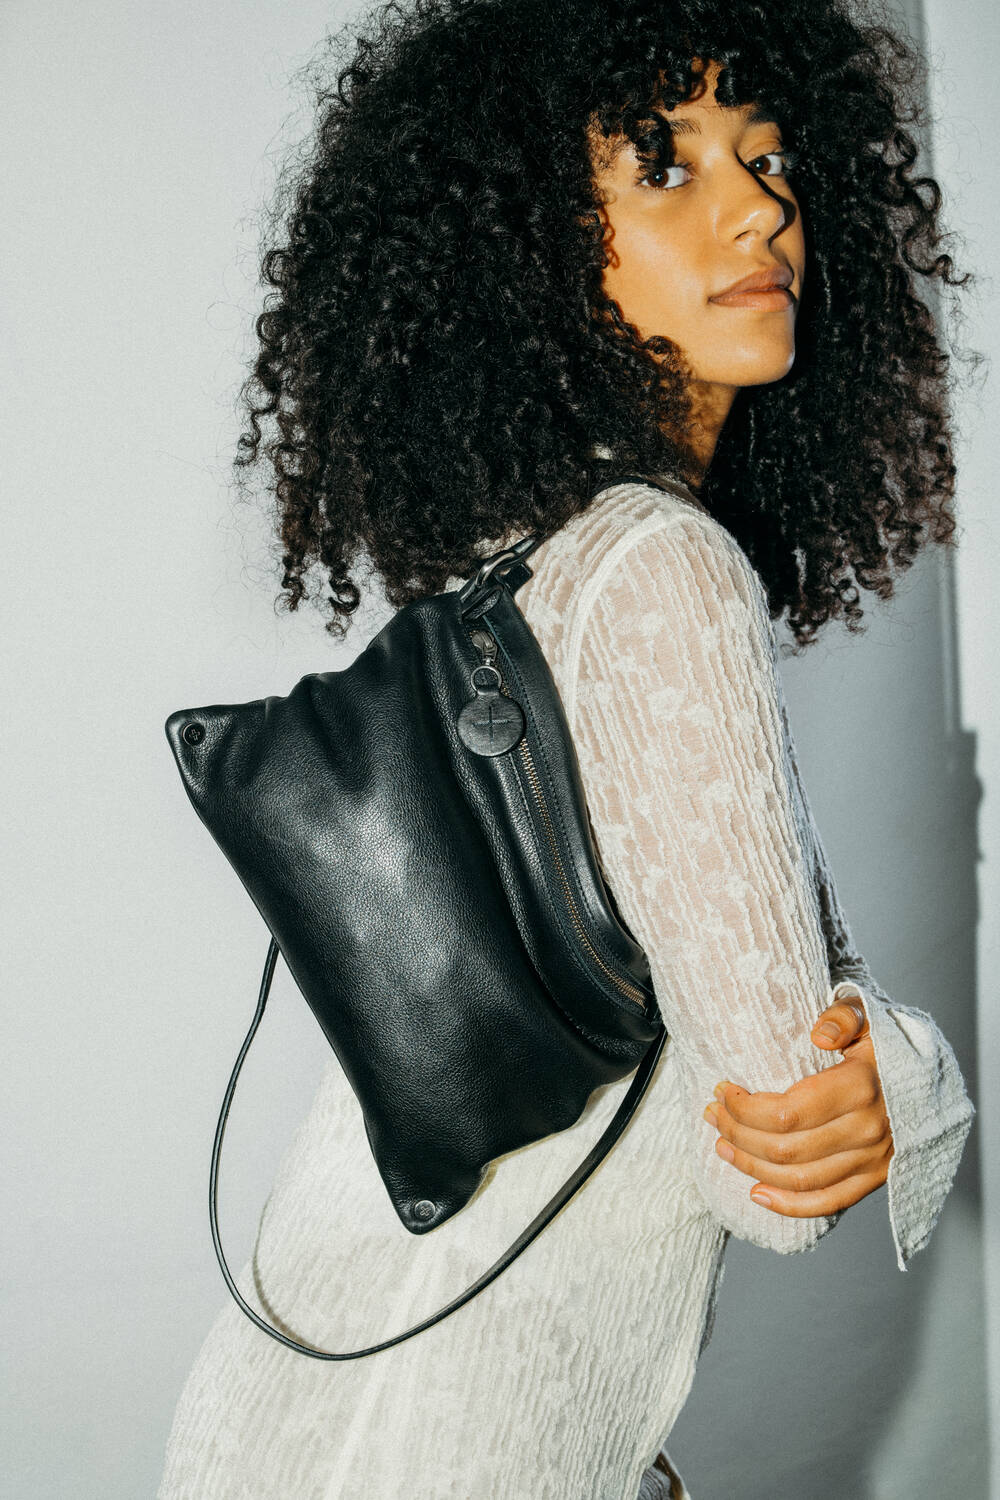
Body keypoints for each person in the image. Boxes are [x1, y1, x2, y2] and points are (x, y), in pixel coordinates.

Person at [156, 3, 977, 1495]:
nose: (759, 206)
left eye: (770, 154)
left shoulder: (526, 559)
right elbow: (783, 1179)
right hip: (457, 1436)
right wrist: (911, 1073)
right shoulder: (662, 571)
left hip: (298, 1378)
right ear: (532, 244)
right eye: (662, 168)